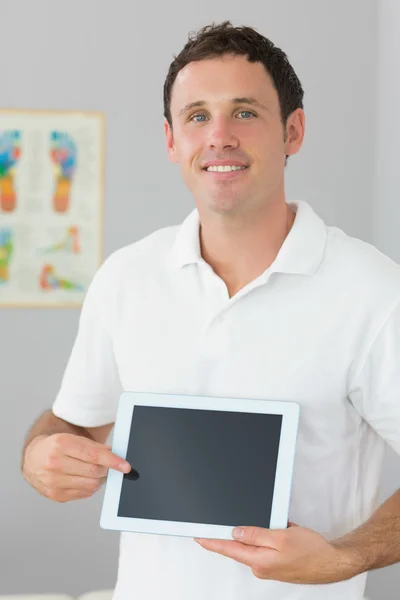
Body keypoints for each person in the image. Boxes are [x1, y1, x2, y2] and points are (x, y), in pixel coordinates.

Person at [21, 21, 400, 600]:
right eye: (197, 116)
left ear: (293, 131)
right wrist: (39, 456)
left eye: (244, 112)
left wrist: (344, 558)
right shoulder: (127, 276)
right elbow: (74, 421)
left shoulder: (374, 291)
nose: (219, 135)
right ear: (172, 140)